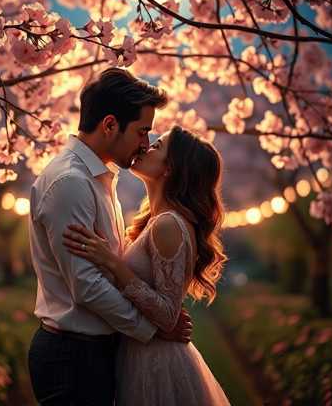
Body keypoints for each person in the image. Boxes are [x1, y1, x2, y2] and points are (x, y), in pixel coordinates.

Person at [28, 67, 193, 406]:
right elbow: (87, 285)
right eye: (142, 131)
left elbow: (108, 272)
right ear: (109, 125)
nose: (145, 143)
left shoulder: (99, 180)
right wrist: (153, 330)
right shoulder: (70, 183)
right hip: (72, 357)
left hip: (93, 353)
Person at [63, 125, 231, 405]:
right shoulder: (157, 220)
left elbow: (167, 314)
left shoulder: (169, 224)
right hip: (139, 352)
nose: (145, 146)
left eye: (157, 146)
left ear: (170, 169)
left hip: (156, 364)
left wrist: (113, 263)